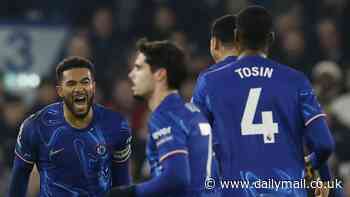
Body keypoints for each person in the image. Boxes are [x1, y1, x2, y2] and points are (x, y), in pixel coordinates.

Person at [192, 6, 334, 197]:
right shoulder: (295, 80)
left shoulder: (211, 82)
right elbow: (324, 144)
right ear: (271, 38)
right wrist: (309, 164)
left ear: (236, 37)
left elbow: (195, 143)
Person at [107, 39, 220, 197]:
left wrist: (129, 192)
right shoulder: (192, 112)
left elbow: (177, 177)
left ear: (160, 74)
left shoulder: (165, 115)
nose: (131, 74)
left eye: (139, 68)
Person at [8, 57, 132, 197]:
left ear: (94, 87)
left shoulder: (116, 125)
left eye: (85, 82)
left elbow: (122, 181)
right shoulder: (35, 126)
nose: (79, 89)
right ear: (60, 91)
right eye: (71, 83)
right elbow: (19, 177)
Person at [192, 14, 238, 172]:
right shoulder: (270, 74)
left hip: (227, 173)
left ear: (214, 43)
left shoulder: (208, 79)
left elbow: (196, 130)